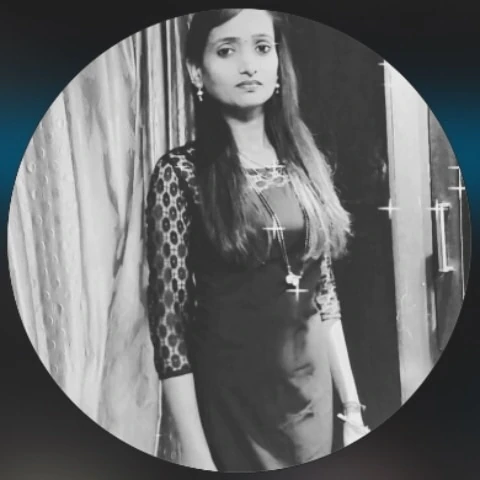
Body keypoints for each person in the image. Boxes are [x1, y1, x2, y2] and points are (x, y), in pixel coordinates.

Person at [145, 8, 369, 472]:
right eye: (227, 50)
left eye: (263, 48)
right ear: (196, 71)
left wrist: (352, 408)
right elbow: (169, 330)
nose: (249, 64)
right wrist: (195, 453)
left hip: (311, 397)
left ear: (278, 65)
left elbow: (324, 295)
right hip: (233, 406)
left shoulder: (306, 163)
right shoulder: (180, 174)